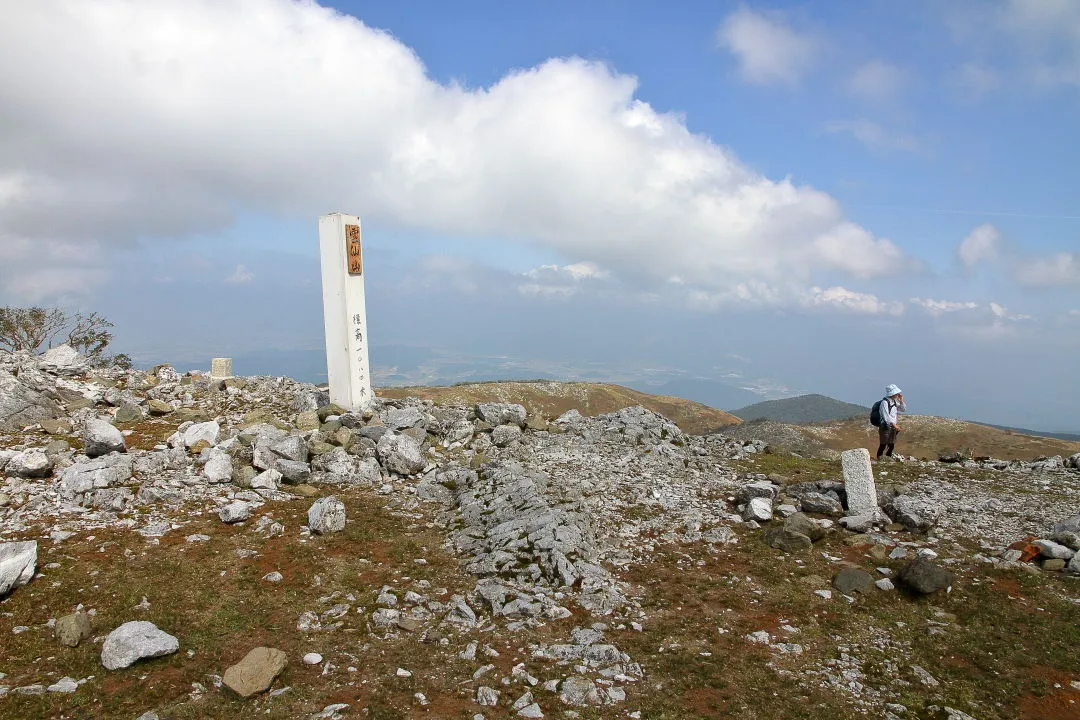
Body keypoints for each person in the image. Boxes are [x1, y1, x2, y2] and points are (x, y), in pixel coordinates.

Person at [877, 384, 907, 460]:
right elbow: (885, 416)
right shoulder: (884, 402)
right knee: (883, 445)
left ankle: (887, 459)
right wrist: (894, 425)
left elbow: (903, 409)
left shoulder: (894, 401)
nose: (898, 394)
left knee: (891, 444)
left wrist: (901, 401)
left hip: (892, 427)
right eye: (896, 393)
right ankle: (880, 460)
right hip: (885, 426)